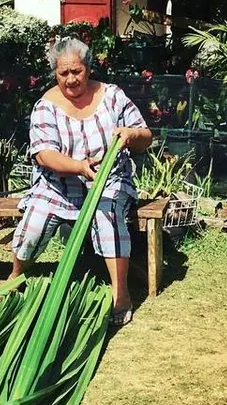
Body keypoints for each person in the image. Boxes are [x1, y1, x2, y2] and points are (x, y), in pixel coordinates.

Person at [10, 36, 154, 326]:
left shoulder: (112, 96)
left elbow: (145, 137)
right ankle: (14, 277)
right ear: (55, 73)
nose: (71, 79)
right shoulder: (46, 106)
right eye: (63, 73)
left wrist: (130, 135)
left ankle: (120, 295)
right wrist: (78, 166)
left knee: (106, 214)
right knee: (35, 221)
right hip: (59, 185)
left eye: (76, 71)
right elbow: (44, 155)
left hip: (110, 180)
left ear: (88, 68)